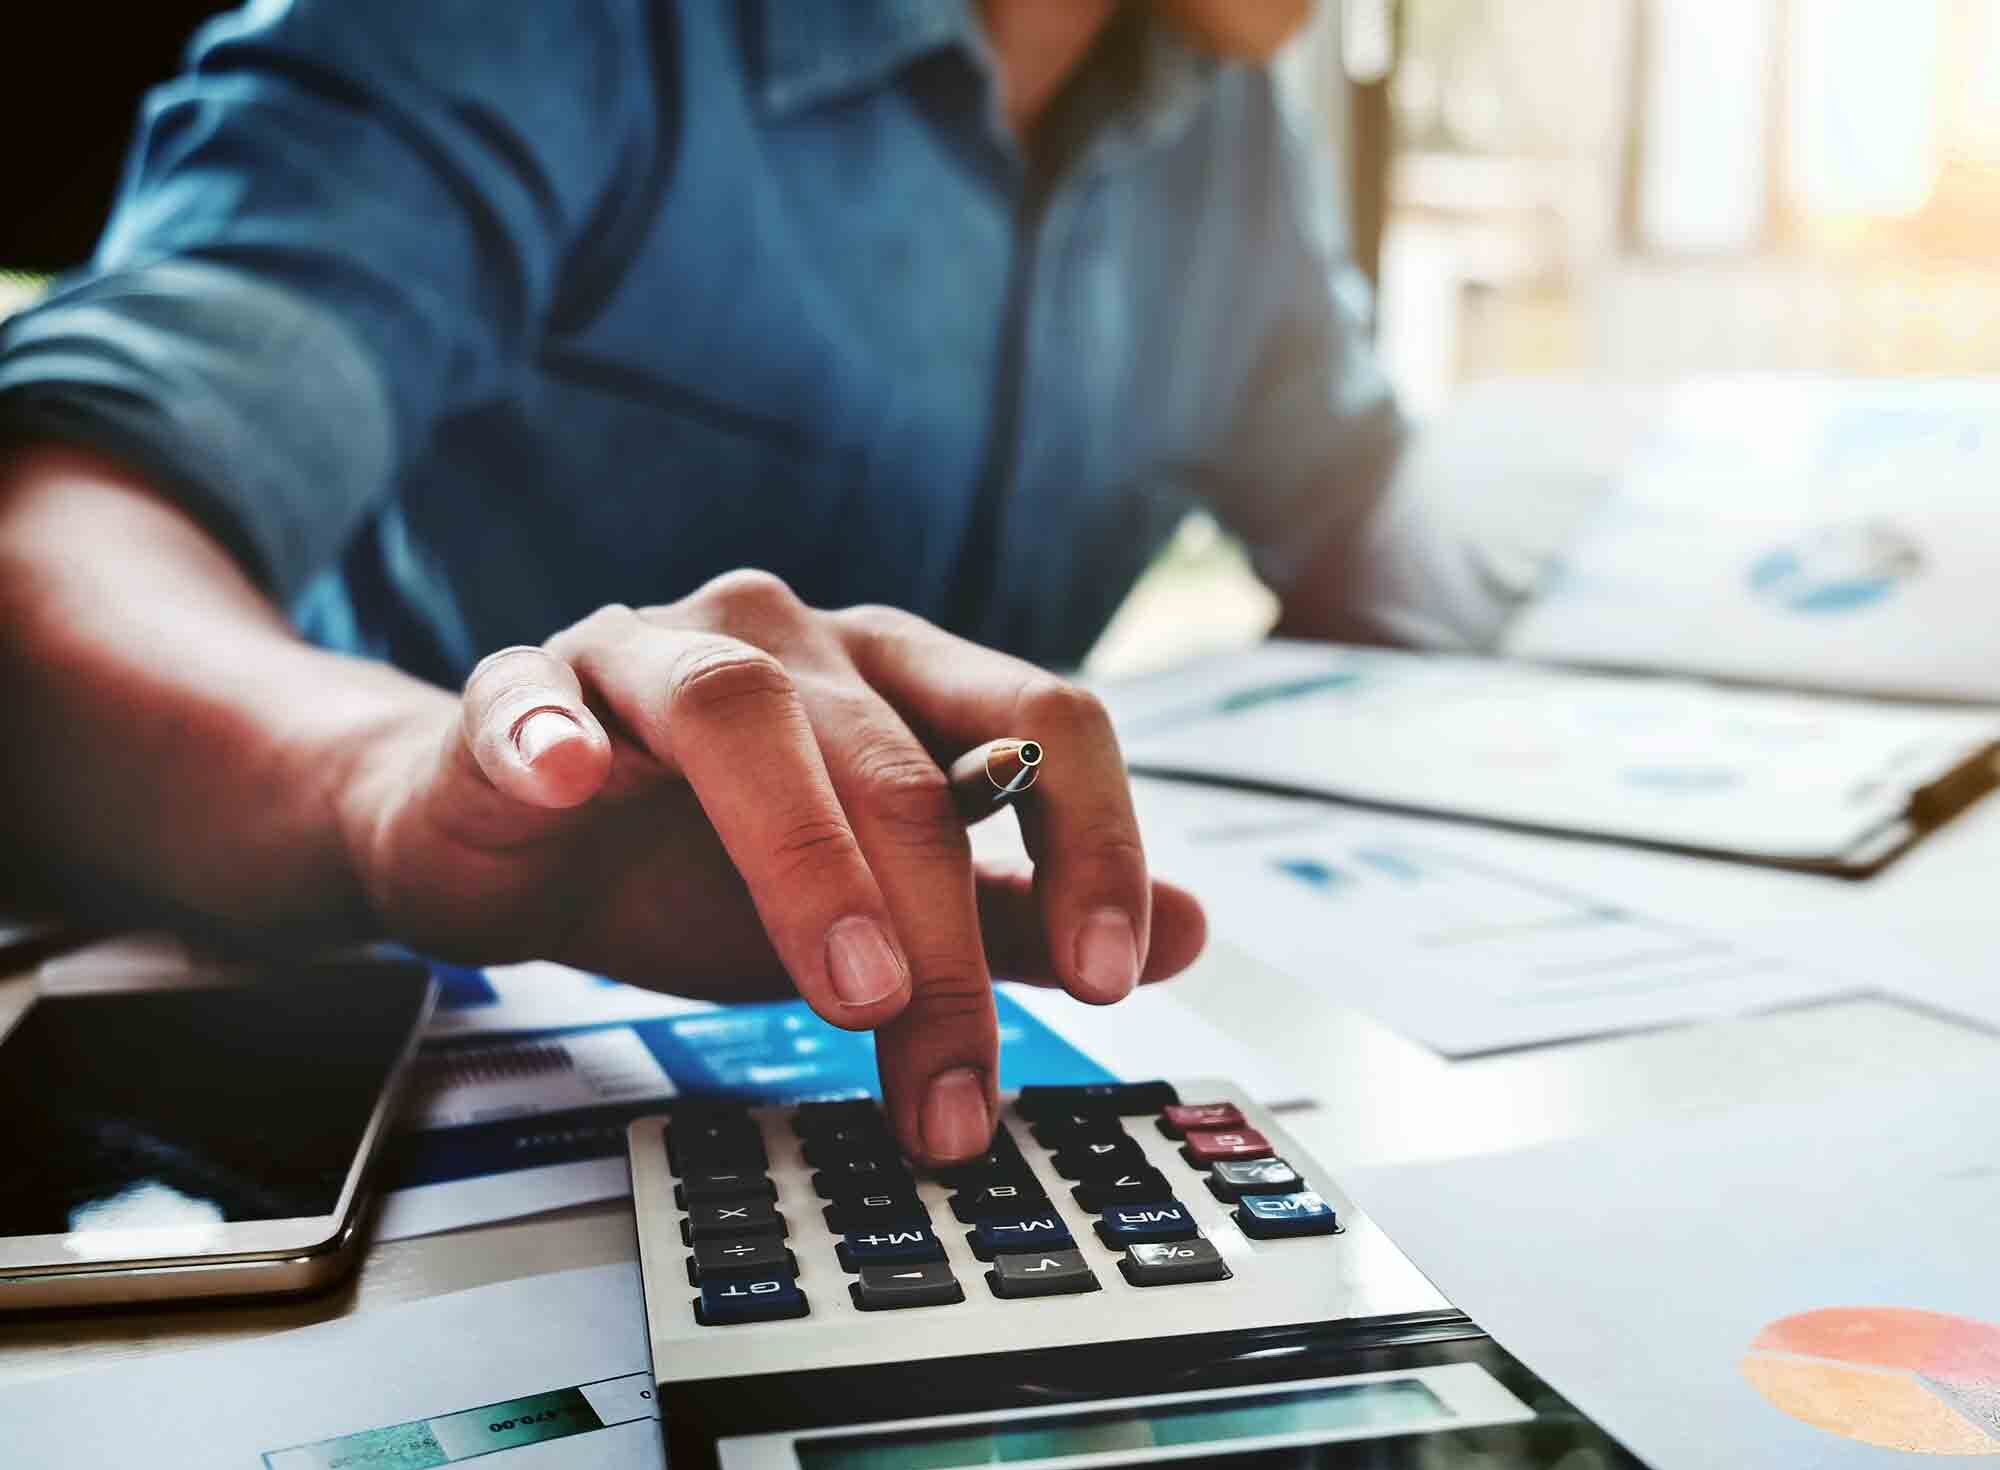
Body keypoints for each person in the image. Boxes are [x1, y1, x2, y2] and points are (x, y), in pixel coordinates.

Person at [0, 0, 1447, 1163]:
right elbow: (53, 520)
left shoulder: (1222, 116)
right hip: (381, 1072)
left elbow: (1362, 516)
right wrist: (382, 786)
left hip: (901, 1073)